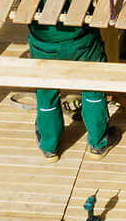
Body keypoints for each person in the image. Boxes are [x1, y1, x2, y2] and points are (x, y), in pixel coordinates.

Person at [29, 18, 111, 159]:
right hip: (82, 39)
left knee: (46, 91)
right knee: (93, 84)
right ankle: (98, 142)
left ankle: (50, 146)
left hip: (43, 42)